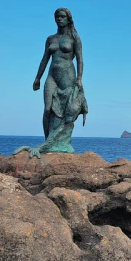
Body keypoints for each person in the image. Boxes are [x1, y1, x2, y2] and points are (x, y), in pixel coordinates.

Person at [16, 8, 88, 158]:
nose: (59, 19)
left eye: (62, 17)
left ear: (69, 19)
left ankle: (62, 143)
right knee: (48, 109)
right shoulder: (50, 39)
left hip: (68, 76)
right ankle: (48, 142)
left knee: (65, 111)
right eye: (57, 17)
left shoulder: (74, 38)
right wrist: (37, 78)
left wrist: (79, 78)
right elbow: (44, 59)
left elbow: (80, 59)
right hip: (52, 76)